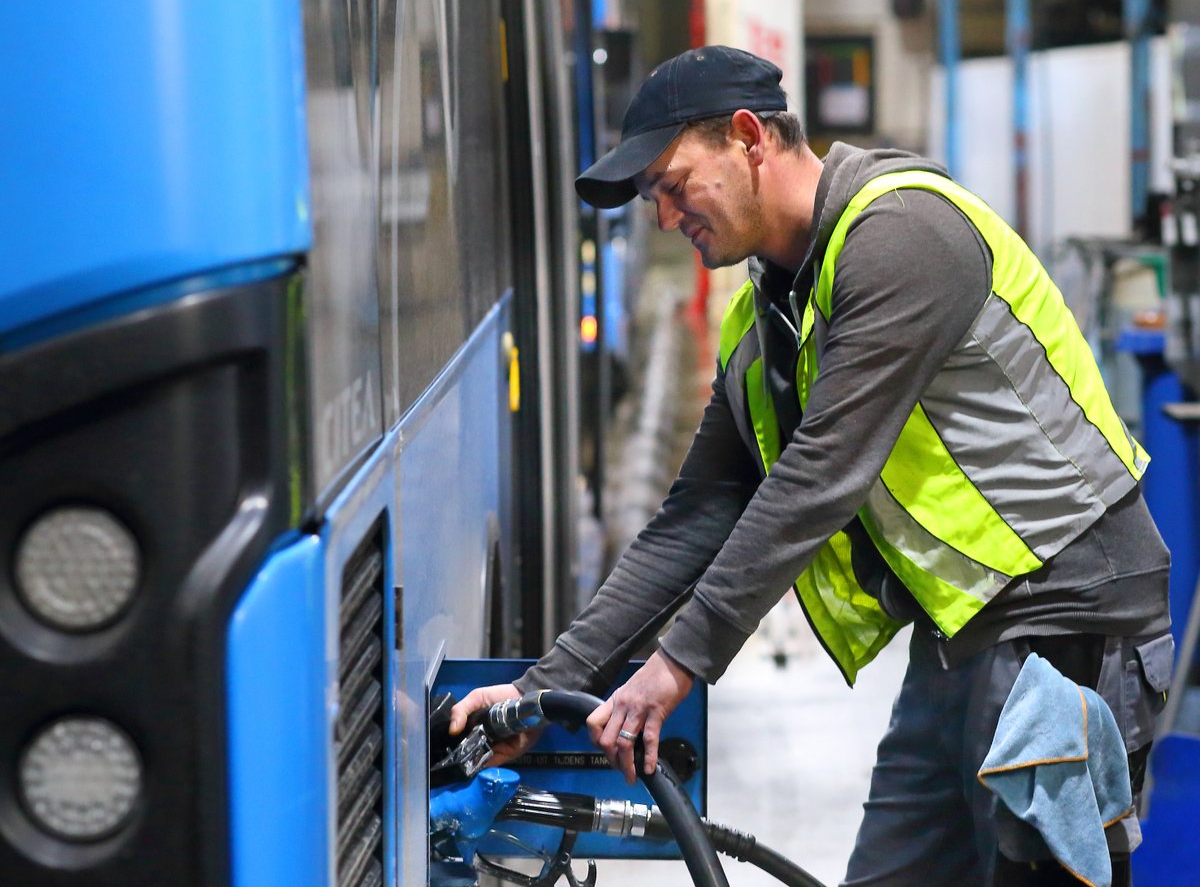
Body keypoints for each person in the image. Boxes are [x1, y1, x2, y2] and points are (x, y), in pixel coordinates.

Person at [449, 45, 1173, 886]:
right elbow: (694, 519)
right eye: (652, 199)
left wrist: (676, 664)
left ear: (748, 137)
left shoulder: (903, 235)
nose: (665, 217)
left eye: (673, 185)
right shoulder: (767, 322)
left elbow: (821, 474)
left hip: (1069, 619)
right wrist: (539, 691)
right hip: (962, 635)